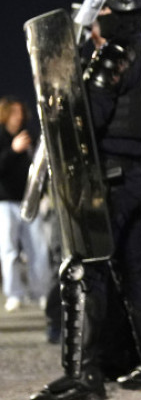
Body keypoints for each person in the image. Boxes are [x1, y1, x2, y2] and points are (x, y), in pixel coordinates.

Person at [32, 0, 141, 400]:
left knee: (84, 266)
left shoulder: (115, 53)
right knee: (135, 271)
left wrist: (69, 80)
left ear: (118, 6)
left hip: (113, 175)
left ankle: (84, 373)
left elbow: (88, 119)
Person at [0, 98, 50, 312]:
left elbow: (39, 169)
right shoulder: (2, 137)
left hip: (29, 202)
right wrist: (13, 149)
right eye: (13, 113)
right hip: (5, 202)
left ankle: (41, 292)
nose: (18, 117)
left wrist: (43, 193)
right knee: (9, 251)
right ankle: (14, 294)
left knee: (38, 249)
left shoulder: (30, 136)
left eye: (21, 113)